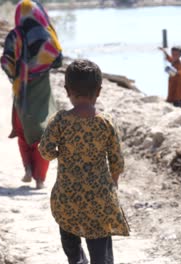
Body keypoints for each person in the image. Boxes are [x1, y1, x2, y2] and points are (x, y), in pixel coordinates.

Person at [39, 59, 130, 264]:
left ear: (67, 90)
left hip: (67, 195)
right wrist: (113, 183)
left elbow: (45, 151)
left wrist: (60, 153)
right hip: (99, 197)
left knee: (70, 238)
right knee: (100, 247)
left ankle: (77, 260)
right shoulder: (105, 122)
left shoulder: (60, 121)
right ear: (98, 91)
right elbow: (117, 160)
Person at [0, 0, 62, 189]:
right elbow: (58, 60)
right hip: (42, 89)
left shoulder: (14, 36)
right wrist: (38, 67)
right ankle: (40, 179)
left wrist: (18, 75)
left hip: (21, 90)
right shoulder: (46, 34)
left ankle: (27, 168)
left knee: (22, 131)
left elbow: (6, 62)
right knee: (42, 133)